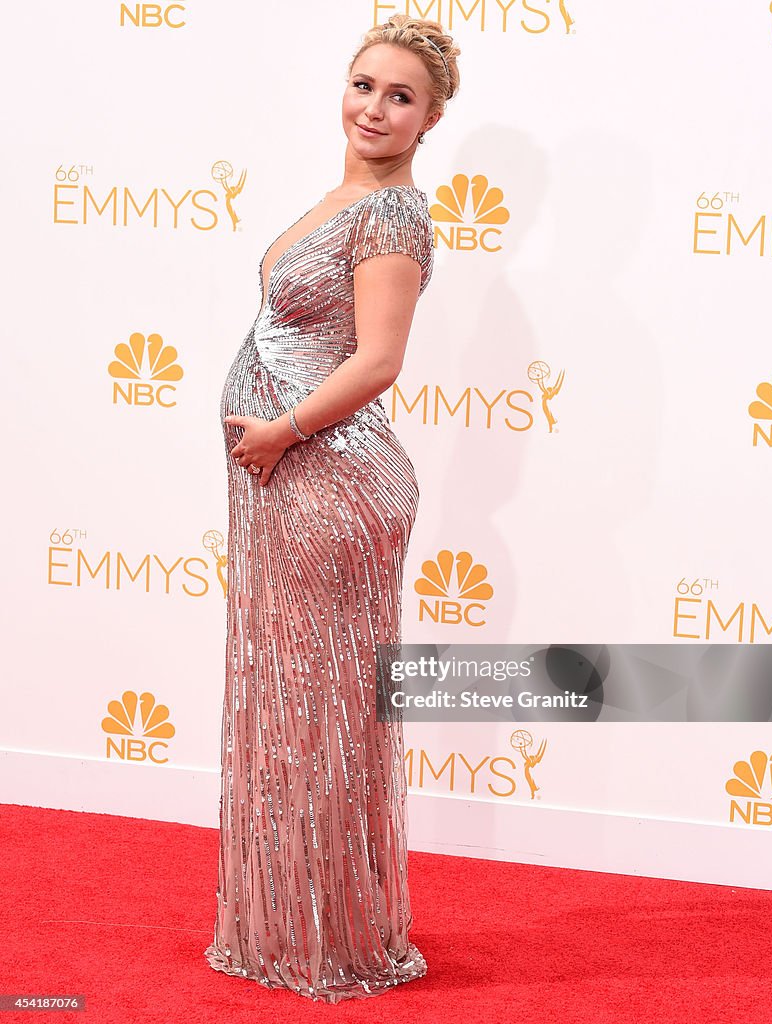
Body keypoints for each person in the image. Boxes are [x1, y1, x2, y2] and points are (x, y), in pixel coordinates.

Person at [203, 13, 461, 1006]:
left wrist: (279, 432)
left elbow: (379, 360)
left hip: (327, 479)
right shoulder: (340, 197)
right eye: (364, 85)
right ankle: (292, 921)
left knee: (318, 713)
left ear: (430, 118)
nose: (374, 108)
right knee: (296, 705)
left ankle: (326, 940)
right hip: (289, 479)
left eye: (400, 97)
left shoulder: (390, 217)